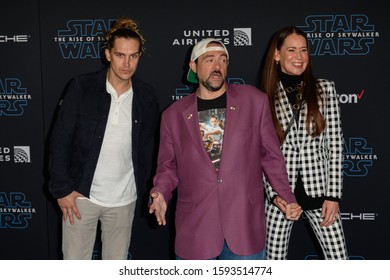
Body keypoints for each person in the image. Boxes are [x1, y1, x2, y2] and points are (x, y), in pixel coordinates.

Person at [148, 38, 302, 260]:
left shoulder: (254, 101)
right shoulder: (172, 116)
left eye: (222, 60)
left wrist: (286, 196)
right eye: (209, 60)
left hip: (243, 224)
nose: (217, 66)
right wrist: (160, 192)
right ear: (193, 67)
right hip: (196, 228)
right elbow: (167, 167)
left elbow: (271, 157)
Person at [48, 17, 160, 260]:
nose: (127, 63)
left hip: (124, 200)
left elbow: (148, 149)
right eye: (120, 55)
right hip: (81, 197)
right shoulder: (81, 88)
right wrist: (62, 190)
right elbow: (60, 141)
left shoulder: (146, 96)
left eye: (133, 56)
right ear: (108, 54)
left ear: (140, 56)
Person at [261, 26, 348, 259]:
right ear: (277, 55)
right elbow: (261, 153)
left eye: (303, 50)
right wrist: (274, 195)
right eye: (291, 50)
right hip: (280, 196)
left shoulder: (325, 89)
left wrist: (333, 195)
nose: (299, 57)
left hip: (320, 193)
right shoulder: (263, 96)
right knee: (273, 265)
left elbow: (336, 146)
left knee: (340, 261)